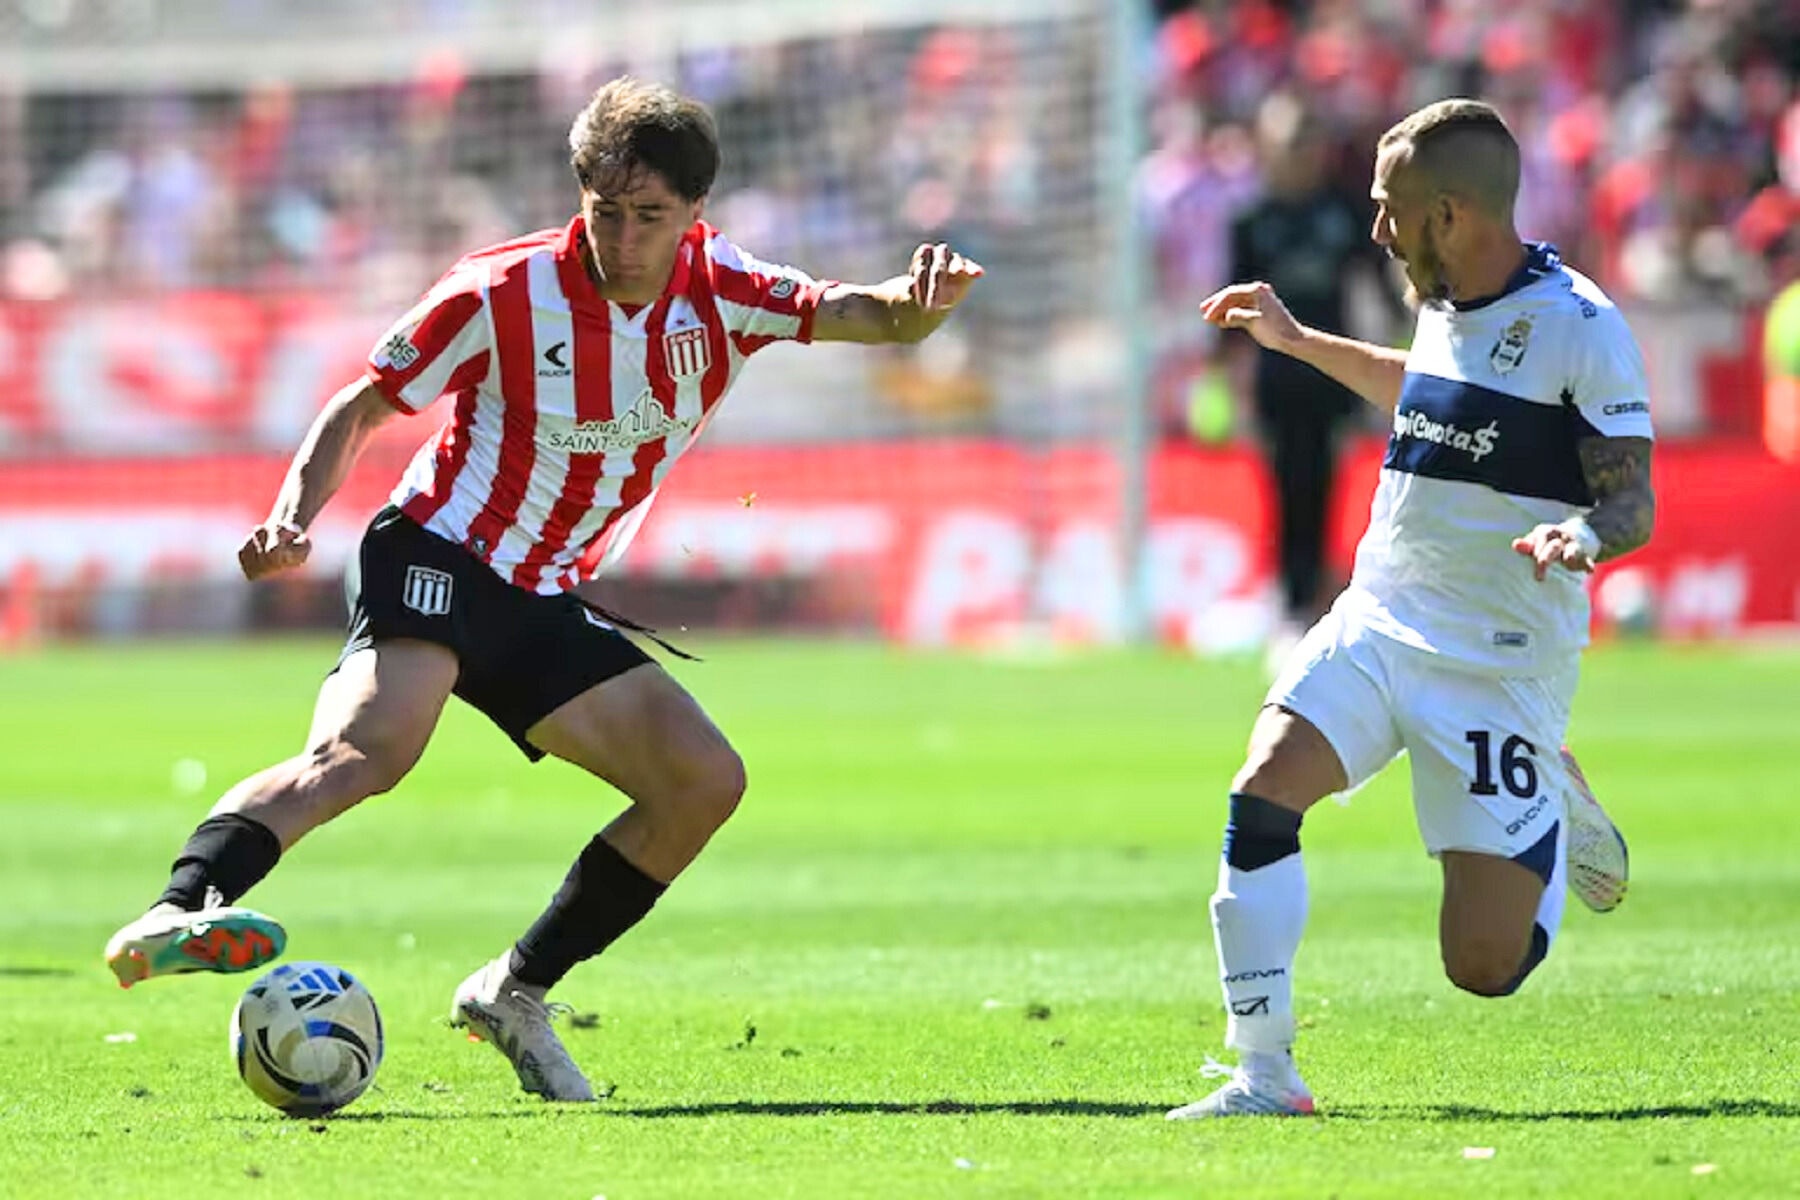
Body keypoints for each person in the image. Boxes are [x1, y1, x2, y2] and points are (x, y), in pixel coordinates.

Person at [103, 77, 984, 1103]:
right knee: (368, 751)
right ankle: (182, 906)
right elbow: (359, 406)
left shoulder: (723, 290)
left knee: (702, 782)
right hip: (435, 550)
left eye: (649, 216)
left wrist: (916, 311)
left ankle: (513, 992)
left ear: (695, 215)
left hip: (540, 596)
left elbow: (858, 314)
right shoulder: (502, 288)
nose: (622, 237)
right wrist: (294, 514)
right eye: (604, 211)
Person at [1170, 98, 1651, 1119]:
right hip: (1379, 618)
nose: (1375, 229)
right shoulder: (1439, 295)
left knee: (1484, 965)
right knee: (1262, 791)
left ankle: (1552, 816)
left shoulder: (1582, 325)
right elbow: (1423, 390)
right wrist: (1294, 340)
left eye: (1389, 209)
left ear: (1448, 213)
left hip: (1496, 661)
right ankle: (1264, 1074)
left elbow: (1635, 496)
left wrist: (1587, 536)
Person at [1226, 94, 1401, 653]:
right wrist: (1224, 381)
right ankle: (1289, 598)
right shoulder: (1253, 221)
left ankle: (1314, 597)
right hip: (1276, 382)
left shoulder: (1342, 211)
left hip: (1330, 377)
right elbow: (1229, 307)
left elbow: (1377, 280)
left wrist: (1404, 340)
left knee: (1324, 484)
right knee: (1282, 486)